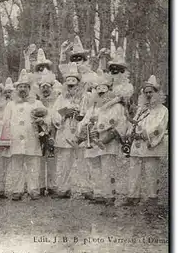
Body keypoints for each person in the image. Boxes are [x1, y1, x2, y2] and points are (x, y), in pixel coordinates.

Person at [78, 71, 128, 205]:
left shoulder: (117, 106)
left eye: (103, 90)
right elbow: (83, 121)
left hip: (108, 141)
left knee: (107, 168)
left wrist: (103, 129)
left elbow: (120, 122)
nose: (101, 93)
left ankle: (109, 195)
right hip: (93, 142)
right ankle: (98, 193)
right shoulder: (93, 107)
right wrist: (85, 128)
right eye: (98, 90)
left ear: (109, 90)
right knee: (94, 168)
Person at [122, 75, 167, 206]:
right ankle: (133, 195)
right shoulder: (141, 109)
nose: (148, 94)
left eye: (150, 92)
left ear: (157, 93)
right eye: (146, 92)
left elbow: (159, 127)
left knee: (151, 170)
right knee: (133, 169)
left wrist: (144, 134)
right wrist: (129, 132)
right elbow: (134, 123)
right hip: (136, 144)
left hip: (150, 144)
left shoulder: (162, 110)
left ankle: (152, 197)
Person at [3, 70, 47, 200]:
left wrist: (42, 121)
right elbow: (5, 122)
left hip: (32, 138)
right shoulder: (11, 104)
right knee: (16, 165)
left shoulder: (37, 103)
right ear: (16, 89)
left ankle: (33, 189)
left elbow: (47, 116)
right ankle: (17, 190)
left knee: (33, 164)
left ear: (29, 88)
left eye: (25, 87)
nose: (22, 89)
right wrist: (7, 137)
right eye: (20, 87)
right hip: (15, 139)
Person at [50, 63, 87, 199]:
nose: (71, 86)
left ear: (78, 84)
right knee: (65, 162)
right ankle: (64, 188)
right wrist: (64, 114)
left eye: (74, 83)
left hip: (79, 133)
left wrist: (81, 116)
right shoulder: (61, 98)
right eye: (69, 83)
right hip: (65, 132)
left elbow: (89, 113)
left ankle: (86, 189)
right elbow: (54, 114)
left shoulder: (85, 97)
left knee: (83, 161)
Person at [37, 71, 60, 195]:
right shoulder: (36, 102)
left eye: (47, 87)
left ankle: (52, 185)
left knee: (52, 160)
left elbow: (58, 118)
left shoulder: (56, 102)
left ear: (52, 88)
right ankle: (40, 186)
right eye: (43, 87)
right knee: (40, 160)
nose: (45, 90)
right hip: (39, 135)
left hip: (52, 134)